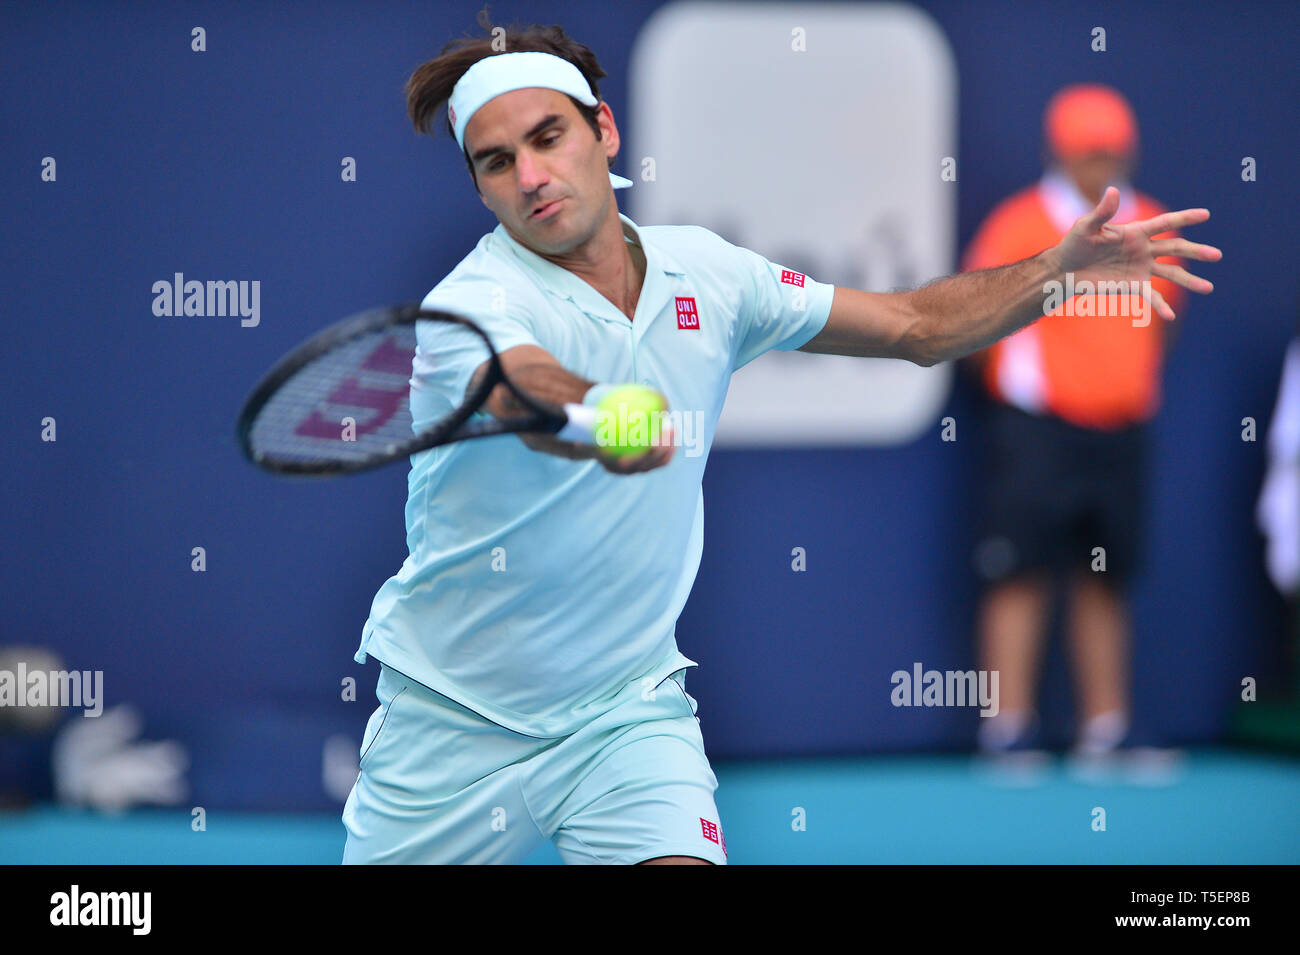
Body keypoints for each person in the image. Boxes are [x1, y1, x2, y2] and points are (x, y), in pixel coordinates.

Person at [341, 28, 1219, 863]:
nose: (532, 175)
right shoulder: (475, 306)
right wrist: (606, 418)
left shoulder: (709, 274)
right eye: (499, 162)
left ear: (604, 131)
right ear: (481, 188)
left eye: (549, 137)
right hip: (452, 721)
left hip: (622, 712)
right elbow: (529, 383)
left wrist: (1055, 268)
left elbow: (914, 324)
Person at [962, 84, 1194, 775]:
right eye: (1089, 151)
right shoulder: (1019, 222)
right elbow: (974, 320)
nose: (1102, 164)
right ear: (1059, 152)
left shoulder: (1152, 223)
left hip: (1120, 433)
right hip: (1037, 431)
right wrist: (1030, 388)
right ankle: (1007, 732)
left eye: (1112, 151)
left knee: (1105, 578)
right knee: (1019, 574)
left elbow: (1164, 323)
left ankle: (1105, 731)